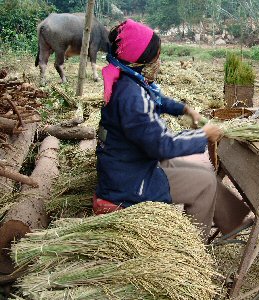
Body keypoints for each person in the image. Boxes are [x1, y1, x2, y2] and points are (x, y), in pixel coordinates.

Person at [96, 19, 251, 241]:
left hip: (125, 167)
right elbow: (164, 146)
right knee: (204, 183)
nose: (159, 62)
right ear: (142, 60)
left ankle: (234, 221)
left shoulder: (126, 79)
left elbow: (156, 98)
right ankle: (192, 250)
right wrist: (204, 134)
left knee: (196, 169)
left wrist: (185, 109)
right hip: (129, 185)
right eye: (156, 57)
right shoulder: (133, 98)